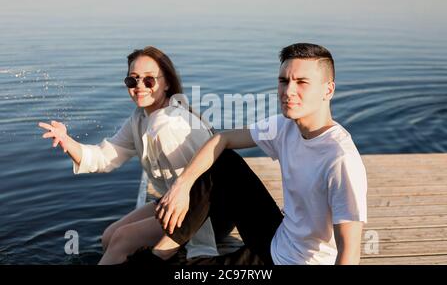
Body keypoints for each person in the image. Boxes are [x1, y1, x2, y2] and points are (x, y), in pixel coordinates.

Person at [152, 43, 368, 265]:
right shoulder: (285, 126)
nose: (288, 91)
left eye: (302, 82)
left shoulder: (340, 159)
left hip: (296, 262)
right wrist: (182, 186)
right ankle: (161, 253)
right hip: (279, 236)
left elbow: (350, 252)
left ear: (328, 90)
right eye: (284, 81)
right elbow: (222, 139)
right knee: (224, 162)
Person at [38, 46, 230, 265]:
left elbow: (199, 191)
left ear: (166, 82)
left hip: (208, 215)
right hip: (175, 203)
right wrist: (67, 141)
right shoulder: (140, 118)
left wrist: (198, 248)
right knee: (110, 236)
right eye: (133, 80)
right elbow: (105, 156)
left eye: (149, 80)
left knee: (122, 239)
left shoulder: (171, 125)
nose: (139, 87)